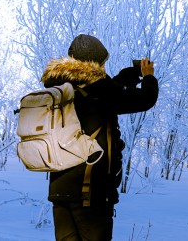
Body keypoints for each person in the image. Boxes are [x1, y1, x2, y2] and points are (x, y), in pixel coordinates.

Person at [41, 34, 158, 241]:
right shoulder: (100, 91)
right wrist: (148, 77)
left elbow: (111, 92)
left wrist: (131, 74)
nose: (104, 69)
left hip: (60, 190)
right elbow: (144, 99)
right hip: (91, 191)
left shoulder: (59, 89)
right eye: (102, 63)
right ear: (94, 63)